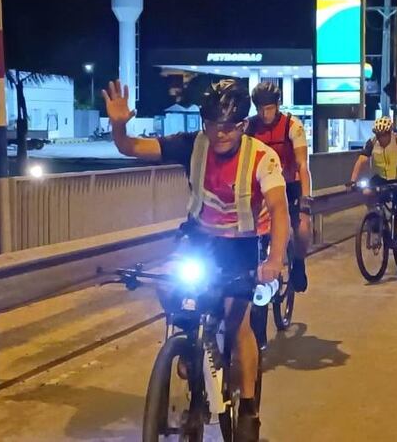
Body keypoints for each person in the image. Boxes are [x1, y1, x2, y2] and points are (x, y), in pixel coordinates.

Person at [103, 78, 288, 441]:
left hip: (242, 244)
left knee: (238, 324)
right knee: (171, 285)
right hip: (200, 238)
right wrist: (119, 124)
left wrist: (276, 259)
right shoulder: (191, 145)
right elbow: (129, 147)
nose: (220, 133)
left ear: (243, 125)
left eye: (229, 126)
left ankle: (249, 409)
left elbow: (279, 209)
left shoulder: (262, 158)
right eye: (212, 123)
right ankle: (188, 350)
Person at [247, 82, 312, 292]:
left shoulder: (293, 125)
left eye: (268, 108)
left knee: (302, 227)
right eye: (259, 109)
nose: (264, 114)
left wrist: (305, 197)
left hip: (289, 184)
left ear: (277, 105)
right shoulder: (250, 127)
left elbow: (303, 164)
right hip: (261, 186)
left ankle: (299, 262)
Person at [349, 116, 397, 264]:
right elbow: (361, 160)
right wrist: (353, 180)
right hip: (380, 177)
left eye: (384, 134)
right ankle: (375, 219)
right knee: (367, 191)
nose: (381, 138)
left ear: (390, 132)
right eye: (378, 134)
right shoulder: (372, 142)